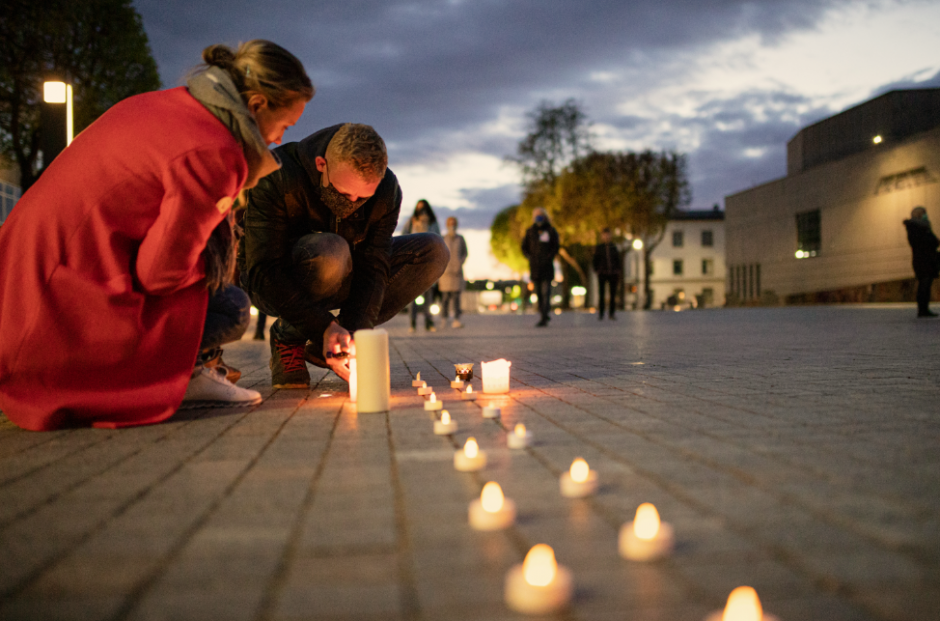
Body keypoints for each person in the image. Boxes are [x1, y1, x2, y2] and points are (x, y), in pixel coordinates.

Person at [0, 41, 313, 431]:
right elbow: (161, 274)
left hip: (21, 279)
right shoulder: (214, 150)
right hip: (64, 306)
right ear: (255, 106)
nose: (279, 140)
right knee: (231, 306)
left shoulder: (169, 105)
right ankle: (181, 376)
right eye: (285, 126)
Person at [238, 124, 449, 388]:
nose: (352, 203)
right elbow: (262, 271)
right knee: (332, 251)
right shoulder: (277, 174)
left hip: (346, 274)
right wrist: (322, 325)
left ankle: (331, 343)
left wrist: (352, 333)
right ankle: (288, 338)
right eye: (344, 193)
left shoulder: (386, 190)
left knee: (433, 250)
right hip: (275, 281)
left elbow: (374, 266)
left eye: (363, 197)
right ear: (321, 164)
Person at [401, 199, 441, 333]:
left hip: (429, 261)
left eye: (424, 208)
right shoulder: (411, 221)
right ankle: (412, 324)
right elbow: (403, 237)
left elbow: (438, 239)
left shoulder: (433, 222)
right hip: (414, 261)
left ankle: (429, 323)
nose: (422, 211)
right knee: (413, 296)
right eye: (419, 208)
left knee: (429, 297)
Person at [521, 208, 559, 327]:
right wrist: (530, 257)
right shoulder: (530, 231)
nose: (538, 217)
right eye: (536, 215)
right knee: (538, 293)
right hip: (535, 267)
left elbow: (556, 246)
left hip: (547, 266)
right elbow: (524, 247)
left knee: (545, 292)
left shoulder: (551, 230)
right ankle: (543, 313)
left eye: (540, 215)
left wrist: (549, 256)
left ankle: (544, 315)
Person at [903, 206, 939, 318]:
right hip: (922, 261)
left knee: (926, 285)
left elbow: (934, 241)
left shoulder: (924, 226)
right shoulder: (915, 228)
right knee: (924, 284)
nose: (925, 215)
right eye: (923, 213)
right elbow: (925, 242)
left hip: (928, 260)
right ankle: (922, 310)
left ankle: (924, 309)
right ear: (917, 214)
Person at [440, 216, 469, 328]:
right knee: (445, 298)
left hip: (457, 273)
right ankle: (444, 319)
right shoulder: (443, 238)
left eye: (454, 223)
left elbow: (465, 253)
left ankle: (456, 319)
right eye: (450, 223)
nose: (452, 225)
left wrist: (459, 262)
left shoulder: (460, 238)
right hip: (445, 273)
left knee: (456, 298)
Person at [592, 228, 622, 320]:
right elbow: (594, 260)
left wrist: (617, 270)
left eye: (608, 235)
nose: (606, 237)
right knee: (601, 294)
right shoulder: (599, 247)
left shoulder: (614, 247)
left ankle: (611, 313)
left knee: (613, 294)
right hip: (602, 273)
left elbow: (618, 259)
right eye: (605, 235)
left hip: (613, 273)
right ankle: (601, 314)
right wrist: (597, 270)